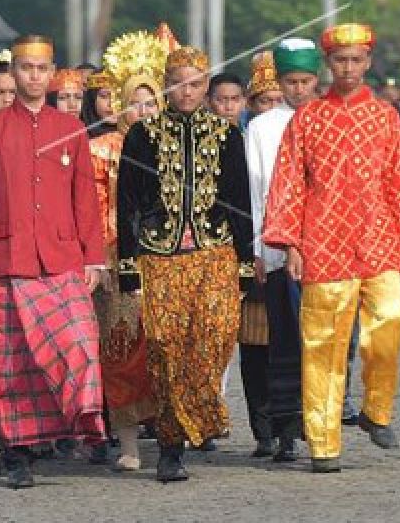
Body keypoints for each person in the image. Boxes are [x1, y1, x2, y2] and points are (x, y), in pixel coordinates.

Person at [263, 23, 400, 474]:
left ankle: (377, 411)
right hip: (324, 243)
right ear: (328, 64)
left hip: (379, 241)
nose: (349, 68)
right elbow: (289, 183)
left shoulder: (385, 117)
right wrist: (290, 242)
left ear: (369, 62)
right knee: (322, 345)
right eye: (341, 60)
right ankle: (322, 442)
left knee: (389, 325)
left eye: (357, 60)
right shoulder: (308, 118)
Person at [0, 34, 107, 489]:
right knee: (11, 364)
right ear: (13, 71)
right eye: (25, 68)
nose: (32, 76)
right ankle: (18, 454)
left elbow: (85, 197)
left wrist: (95, 257)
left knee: (81, 346)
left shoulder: (69, 128)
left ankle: (86, 424)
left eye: (41, 68)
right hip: (6, 259)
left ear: (52, 73)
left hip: (63, 259)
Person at [117, 44, 252, 483]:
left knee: (216, 335)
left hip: (215, 252)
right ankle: (171, 447)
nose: (188, 91)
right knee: (165, 347)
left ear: (207, 86)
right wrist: (127, 264)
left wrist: (246, 262)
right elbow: (127, 204)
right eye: (179, 83)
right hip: (160, 256)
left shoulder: (227, 134)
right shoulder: (142, 134)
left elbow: (239, 200)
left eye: (196, 83)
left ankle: (200, 413)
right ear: (167, 85)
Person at [92, 31, 169, 471]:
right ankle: (128, 443)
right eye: (134, 102)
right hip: (118, 260)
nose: (143, 111)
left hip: (169, 262)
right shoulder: (99, 150)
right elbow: (94, 209)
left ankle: (169, 433)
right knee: (122, 349)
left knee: (166, 346)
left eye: (151, 101)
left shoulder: (173, 146)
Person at [245, 38, 320, 464]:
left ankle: (324, 420)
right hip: (277, 252)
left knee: (325, 341)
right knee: (284, 343)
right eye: (289, 81)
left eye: (304, 81)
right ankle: (286, 431)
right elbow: (259, 193)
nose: (297, 89)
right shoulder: (263, 127)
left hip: (329, 252)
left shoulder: (333, 119)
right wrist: (259, 248)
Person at [238, 51, 280, 456]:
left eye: (276, 101)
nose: (270, 110)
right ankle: (262, 429)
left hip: (292, 254)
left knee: (289, 346)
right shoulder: (239, 141)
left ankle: (289, 428)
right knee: (253, 346)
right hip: (252, 252)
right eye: (262, 102)